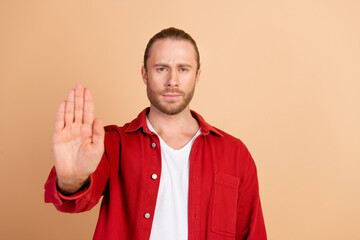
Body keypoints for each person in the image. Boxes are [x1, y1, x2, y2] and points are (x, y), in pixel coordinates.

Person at [44, 27, 267, 240]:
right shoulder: (112, 144)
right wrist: (71, 180)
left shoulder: (235, 154)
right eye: (161, 68)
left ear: (197, 75)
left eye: (183, 69)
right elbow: (74, 202)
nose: (172, 81)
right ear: (144, 74)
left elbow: (252, 233)